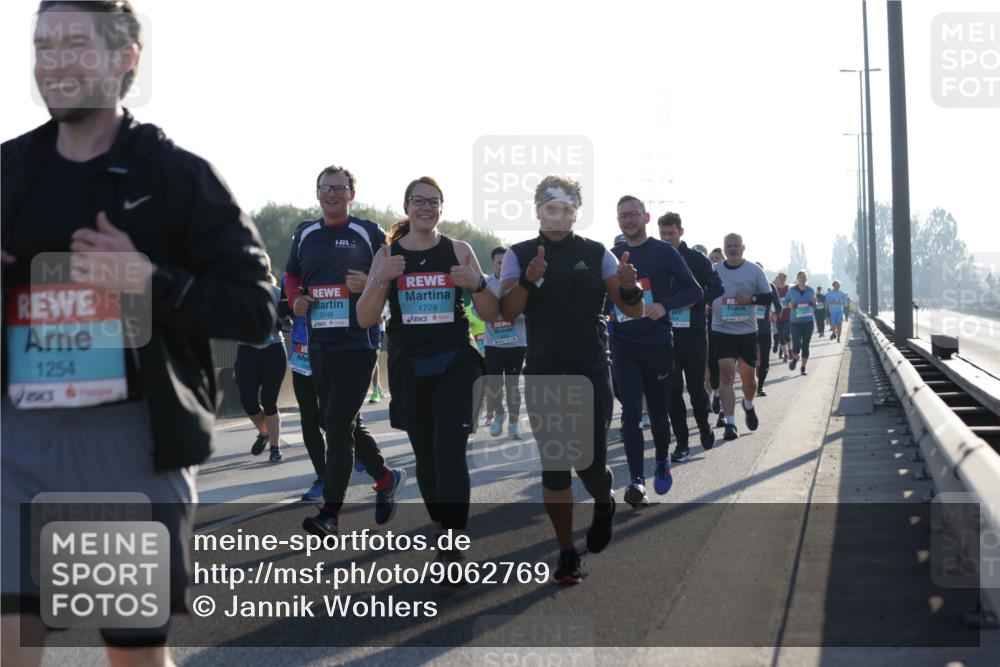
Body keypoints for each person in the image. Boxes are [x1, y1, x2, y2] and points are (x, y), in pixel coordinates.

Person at [1, 3, 274, 665]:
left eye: (74, 43)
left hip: (123, 442)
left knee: (132, 655)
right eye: (43, 45)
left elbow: (255, 309)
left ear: (126, 57)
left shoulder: (175, 177)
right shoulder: (9, 170)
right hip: (16, 439)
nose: (54, 60)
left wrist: (148, 280)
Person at [499, 175, 643, 585]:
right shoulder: (518, 254)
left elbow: (631, 310)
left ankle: (603, 501)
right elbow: (507, 312)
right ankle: (566, 553)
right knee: (556, 467)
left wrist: (631, 290)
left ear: (576, 211)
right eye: (550, 207)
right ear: (538, 210)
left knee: (589, 461)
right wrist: (528, 278)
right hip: (544, 371)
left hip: (592, 371)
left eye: (566, 208)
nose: (558, 215)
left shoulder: (597, 253)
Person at [357, 176, 497, 572]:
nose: (426, 208)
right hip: (410, 368)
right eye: (419, 201)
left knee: (449, 454)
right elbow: (365, 317)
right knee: (427, 459)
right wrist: (380, 278)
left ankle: (452, 546)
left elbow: (491, 313)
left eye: (434, 202)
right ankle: (441, 526)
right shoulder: (387, 255)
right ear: (406, 207)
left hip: (456, 363)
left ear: (441, 208)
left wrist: (478, 282)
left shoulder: (458, 250)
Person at [284, 165, 406, 538]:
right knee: (334, 419)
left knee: (336, 426)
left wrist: (369, 282)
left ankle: (330, 513)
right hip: (319, 343)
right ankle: (386, 477)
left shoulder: (368, 232)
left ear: (352, 193)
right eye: (325, 189)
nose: (332, 195)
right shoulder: (305, 232)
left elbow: (394, 275)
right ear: (317, 193)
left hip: (359, 343)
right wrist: (296, 300)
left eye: (339, 189)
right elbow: (291, 276)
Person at [610, 199, 702, 505]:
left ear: (645, 217)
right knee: (632, 413)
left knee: (660, 415)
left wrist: (664, 305)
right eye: (623, 216)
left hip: (658, 343)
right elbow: (602, 298)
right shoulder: (610, 258)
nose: (628, 220)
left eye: (634, 214)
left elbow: (695, 290)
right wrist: (606, 313)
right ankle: (637, 482)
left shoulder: (664, 252)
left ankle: (662, 460)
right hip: (623, 343)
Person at [658, 213, 723, 462]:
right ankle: (682, 443)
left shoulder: (697, 259)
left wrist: (698, 301)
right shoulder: (656, 259)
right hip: (666, 335)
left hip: (694, 334)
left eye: (671, 233)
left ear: (680, 232)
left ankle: (704, 426)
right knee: (673, 391)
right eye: (662, 234)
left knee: (696, 389)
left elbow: (717, 287)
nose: (666, 238)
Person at [710, 234, 773, 441]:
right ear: (724, 249)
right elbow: (704, 292)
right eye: (729, 246)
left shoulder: (755, 271)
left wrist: (750, 299)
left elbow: (768, 296)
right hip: (722, 330)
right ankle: (730, 423)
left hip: (746, 332)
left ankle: (748, 403)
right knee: (726, 375)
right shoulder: (715, 270)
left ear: (743, 248)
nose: (733, 248)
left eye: (736, 245)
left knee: (748, 380)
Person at [280, 268, 327, 501]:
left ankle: (362, 452)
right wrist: (292, 307)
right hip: (302, 353)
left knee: (334, 417)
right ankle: (323, 476)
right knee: (308, 418)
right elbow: (282, 312)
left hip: (333, 351)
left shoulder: (335, 264)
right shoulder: (289, 276)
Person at [235, 257, 288, 462]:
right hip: (247, 350)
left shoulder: (275, 293)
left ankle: (275, 447)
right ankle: (265, 432)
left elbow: (288, 322)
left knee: (269, 401)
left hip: (273, 349)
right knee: (248, 401)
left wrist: (280, 320)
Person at [480, 246, 526, 440]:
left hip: (516, 343)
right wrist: (495, 311)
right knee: (494, 386)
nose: (502, 266)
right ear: (493, 263)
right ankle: (500, 414)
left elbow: (526, 310)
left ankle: (514, 424)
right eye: (499, 262)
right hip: (493, 343)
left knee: (512, 385)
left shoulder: (520, 284)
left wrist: (509, 311)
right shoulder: (486, 284)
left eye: (506, 262)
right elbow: (478, 310)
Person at [753, 262, 783, 397]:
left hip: (764, 328)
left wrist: (775, 315)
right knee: (750, 359)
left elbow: (778, 306)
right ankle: (750, 383)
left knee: (764, 359)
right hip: (747, 329)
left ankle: (759, 387)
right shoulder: (746, 285)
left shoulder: (770, 286)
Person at [706, 247, 725, 427]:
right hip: (711, 326)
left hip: (729, 328)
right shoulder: (706, 277)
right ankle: (716, 393)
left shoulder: (729, 277)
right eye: (711, 259)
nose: (714, 261)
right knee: (712, 364)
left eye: (717, 258)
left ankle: (725, 415)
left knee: (726, 366)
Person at [785, 271, 816, 375]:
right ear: (797, 279)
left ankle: (803, 367)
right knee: (796, 344)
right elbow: (785, 302)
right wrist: (790, 305)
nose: (802, 279)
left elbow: (814, 305)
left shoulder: (811, 290)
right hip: (795, 322)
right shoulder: (791, 290)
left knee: (806, 345)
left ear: (806, 279)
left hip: (808, 321)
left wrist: (814, 302)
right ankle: (795, 358)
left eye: (804, 277)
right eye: (800, 277)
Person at [773, 271, 791, 362]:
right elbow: (772, 302)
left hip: (788, 315)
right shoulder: (774, 289)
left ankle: (790, 350)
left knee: (786, 334)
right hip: (778, 315)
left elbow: (792, 299)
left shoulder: (789, 288)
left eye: (782, 277)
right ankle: (786, 354)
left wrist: (790, 304)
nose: (780, 279)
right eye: (779, 277)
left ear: (785, 278)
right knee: (780, 336)